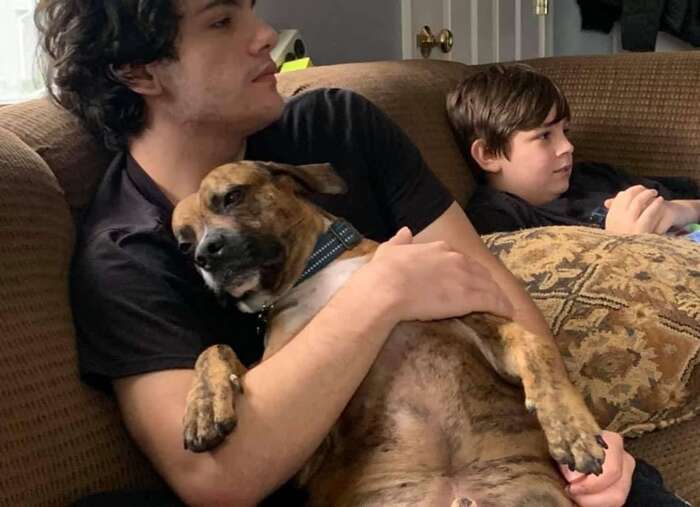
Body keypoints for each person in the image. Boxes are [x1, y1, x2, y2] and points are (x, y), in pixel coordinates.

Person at [36, 2, 638, 506]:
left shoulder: (337, 125)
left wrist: (583, 429)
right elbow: (215, 478)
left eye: (251, 9)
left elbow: (493, 294)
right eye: (221, 21)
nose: (265, 34)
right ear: (139, 72)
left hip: (518, 462)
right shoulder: (123, 254)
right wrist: (381, 292)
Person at [446, 63, 700, 236]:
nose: (568, 146)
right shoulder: (495, 220)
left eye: (564, 131)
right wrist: (617, 244)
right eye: (545, 135)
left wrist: (681, 210)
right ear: (489, 154)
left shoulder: (594, 176)